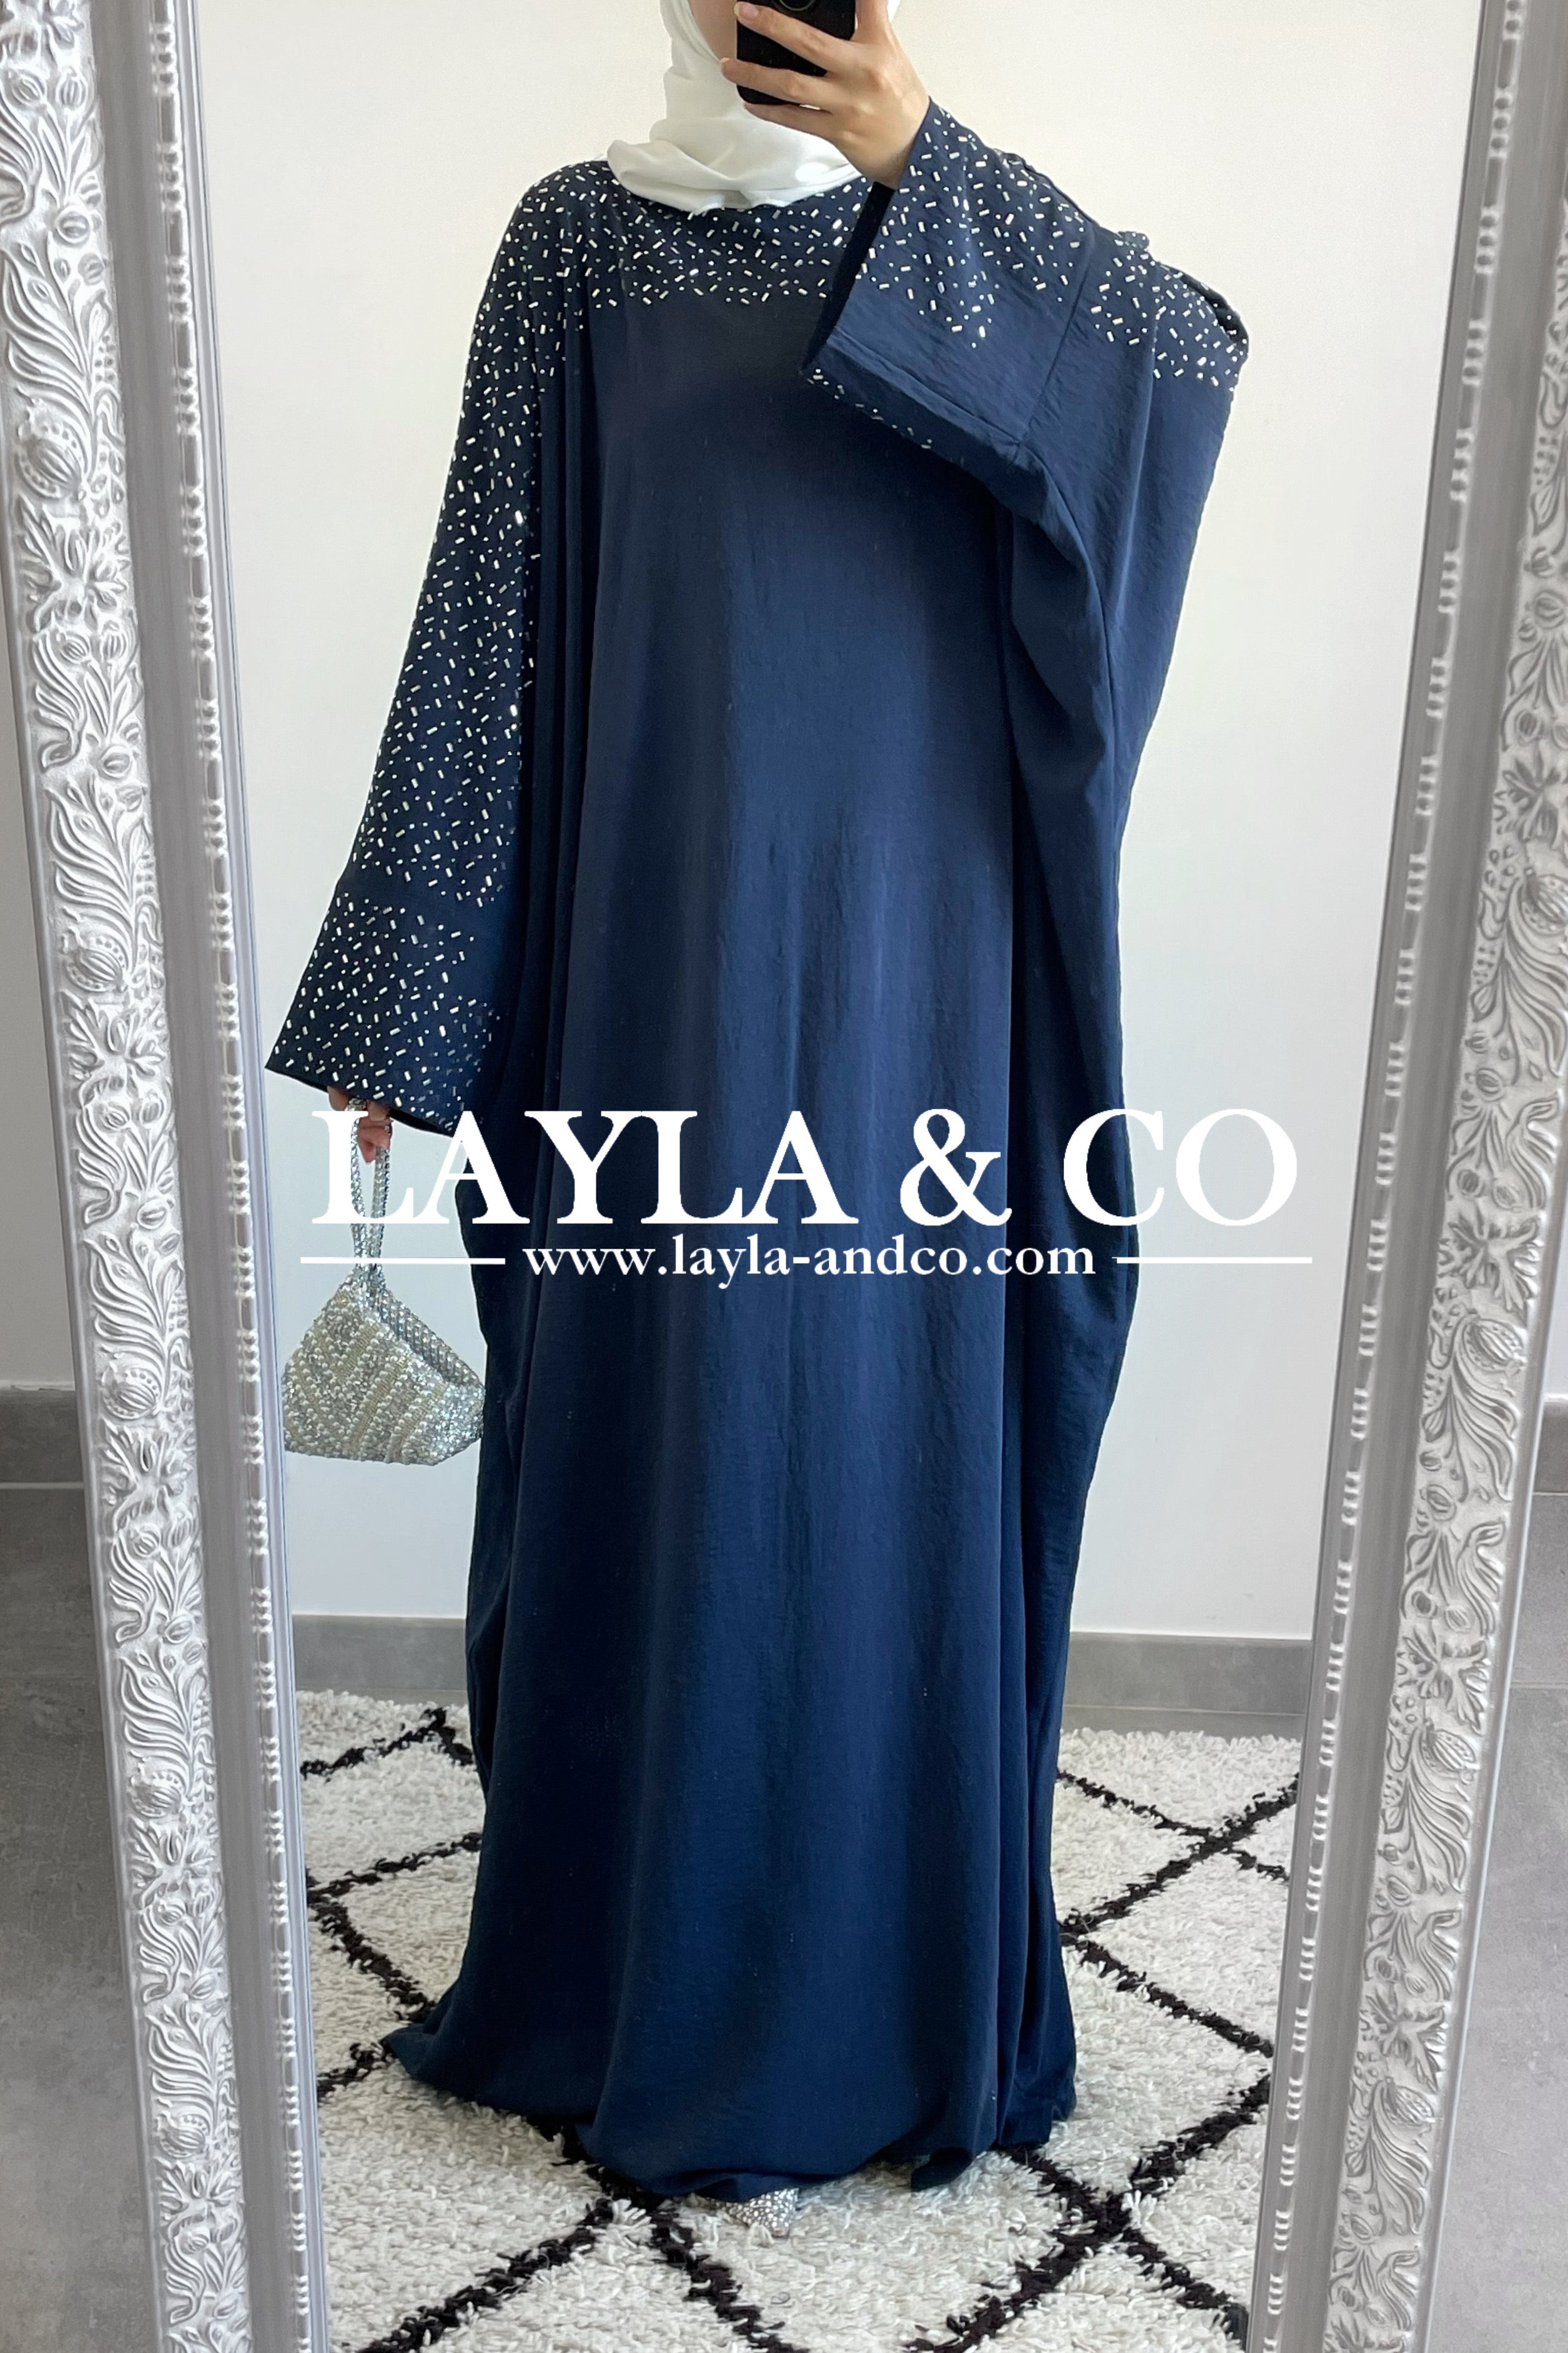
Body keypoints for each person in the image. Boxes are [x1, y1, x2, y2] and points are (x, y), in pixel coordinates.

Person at [269, 0, 1247, 2209]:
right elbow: (487, 621)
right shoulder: (578, 247)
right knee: (663, 1418)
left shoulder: (975, 232)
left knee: (878, 1443)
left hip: (923, 1004)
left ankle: (879, 2001)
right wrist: (408, 1005)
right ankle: (636, 1977)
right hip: (656, 973)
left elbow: (1180, 384)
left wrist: (927, 157)